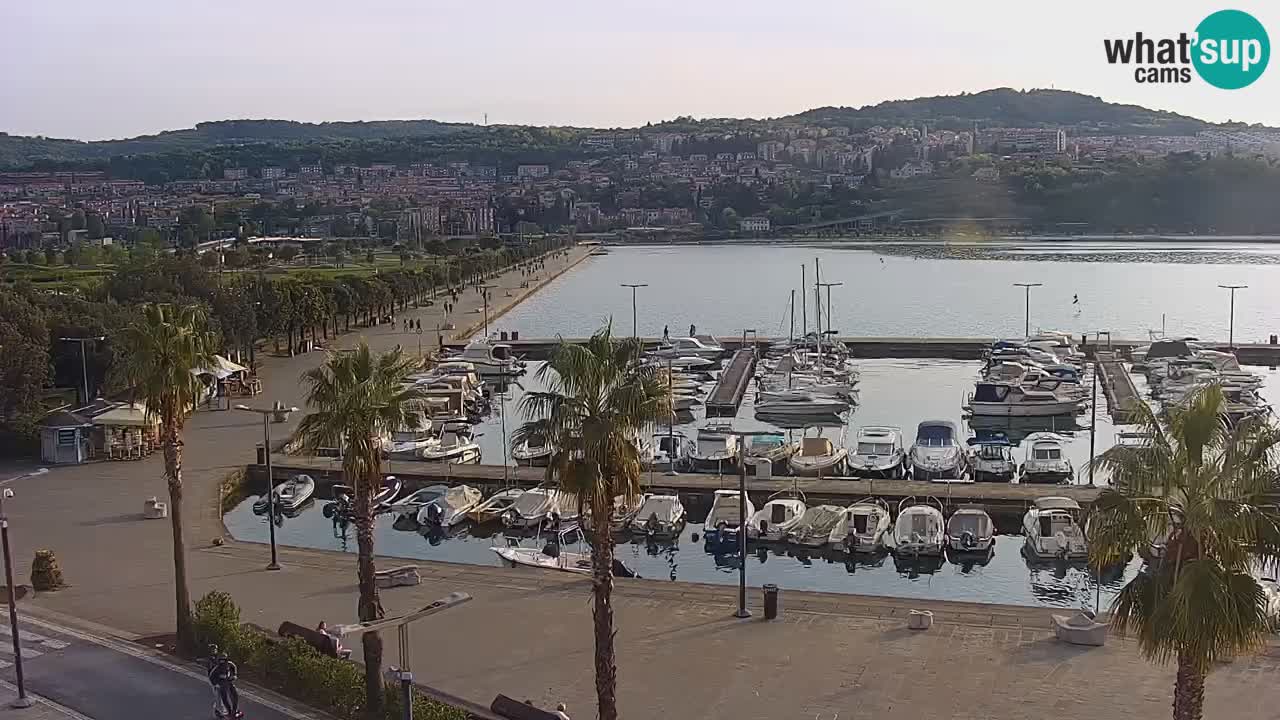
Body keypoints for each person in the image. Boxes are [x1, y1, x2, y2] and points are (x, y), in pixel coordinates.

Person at [207, 645, 242, 718]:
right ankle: (220, 711)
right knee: (219, 697)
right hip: (218, 682)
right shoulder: (213, 661)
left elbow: (233, 666)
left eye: (215, 649)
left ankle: (234, 710)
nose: (214, 650)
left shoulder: (227, 663)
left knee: (234, 695)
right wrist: (215, 684)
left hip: (227, 682)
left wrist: (234, 675)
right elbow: (211, 675)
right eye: (212, 649)